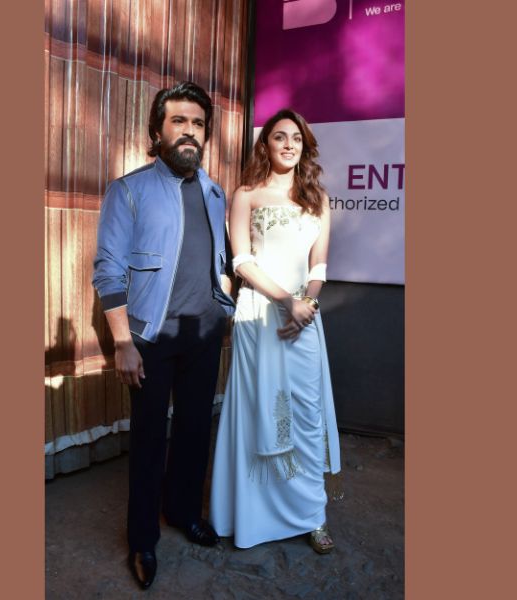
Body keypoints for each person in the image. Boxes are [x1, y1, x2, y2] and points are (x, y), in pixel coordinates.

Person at [92, 81, 235, 590]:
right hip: (150, 337)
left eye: (198, 123)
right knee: (150, 440)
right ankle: (142, 540)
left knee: (196, 431)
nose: (189, 131)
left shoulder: (215, 193)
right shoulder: (128, 190)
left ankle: (183, 512)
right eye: (179, 121)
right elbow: (108, 271)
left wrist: (223, 306)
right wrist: (123, 342)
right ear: (157, 131)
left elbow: (219, 260)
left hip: (203, 333)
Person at [209, 108, 341, 553]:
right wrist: (286, 302)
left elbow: (319, 266)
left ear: (305, 147)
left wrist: (307, 305)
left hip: (305, 319)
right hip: (260, 315)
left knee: (305, 413)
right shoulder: (246, 194)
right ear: (265, 144)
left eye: (297, 139)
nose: (289, 144)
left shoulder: (318, 198)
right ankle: (256, 517)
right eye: (280, 136)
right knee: (261, 412)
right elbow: (242, 261)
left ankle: (312, 516)